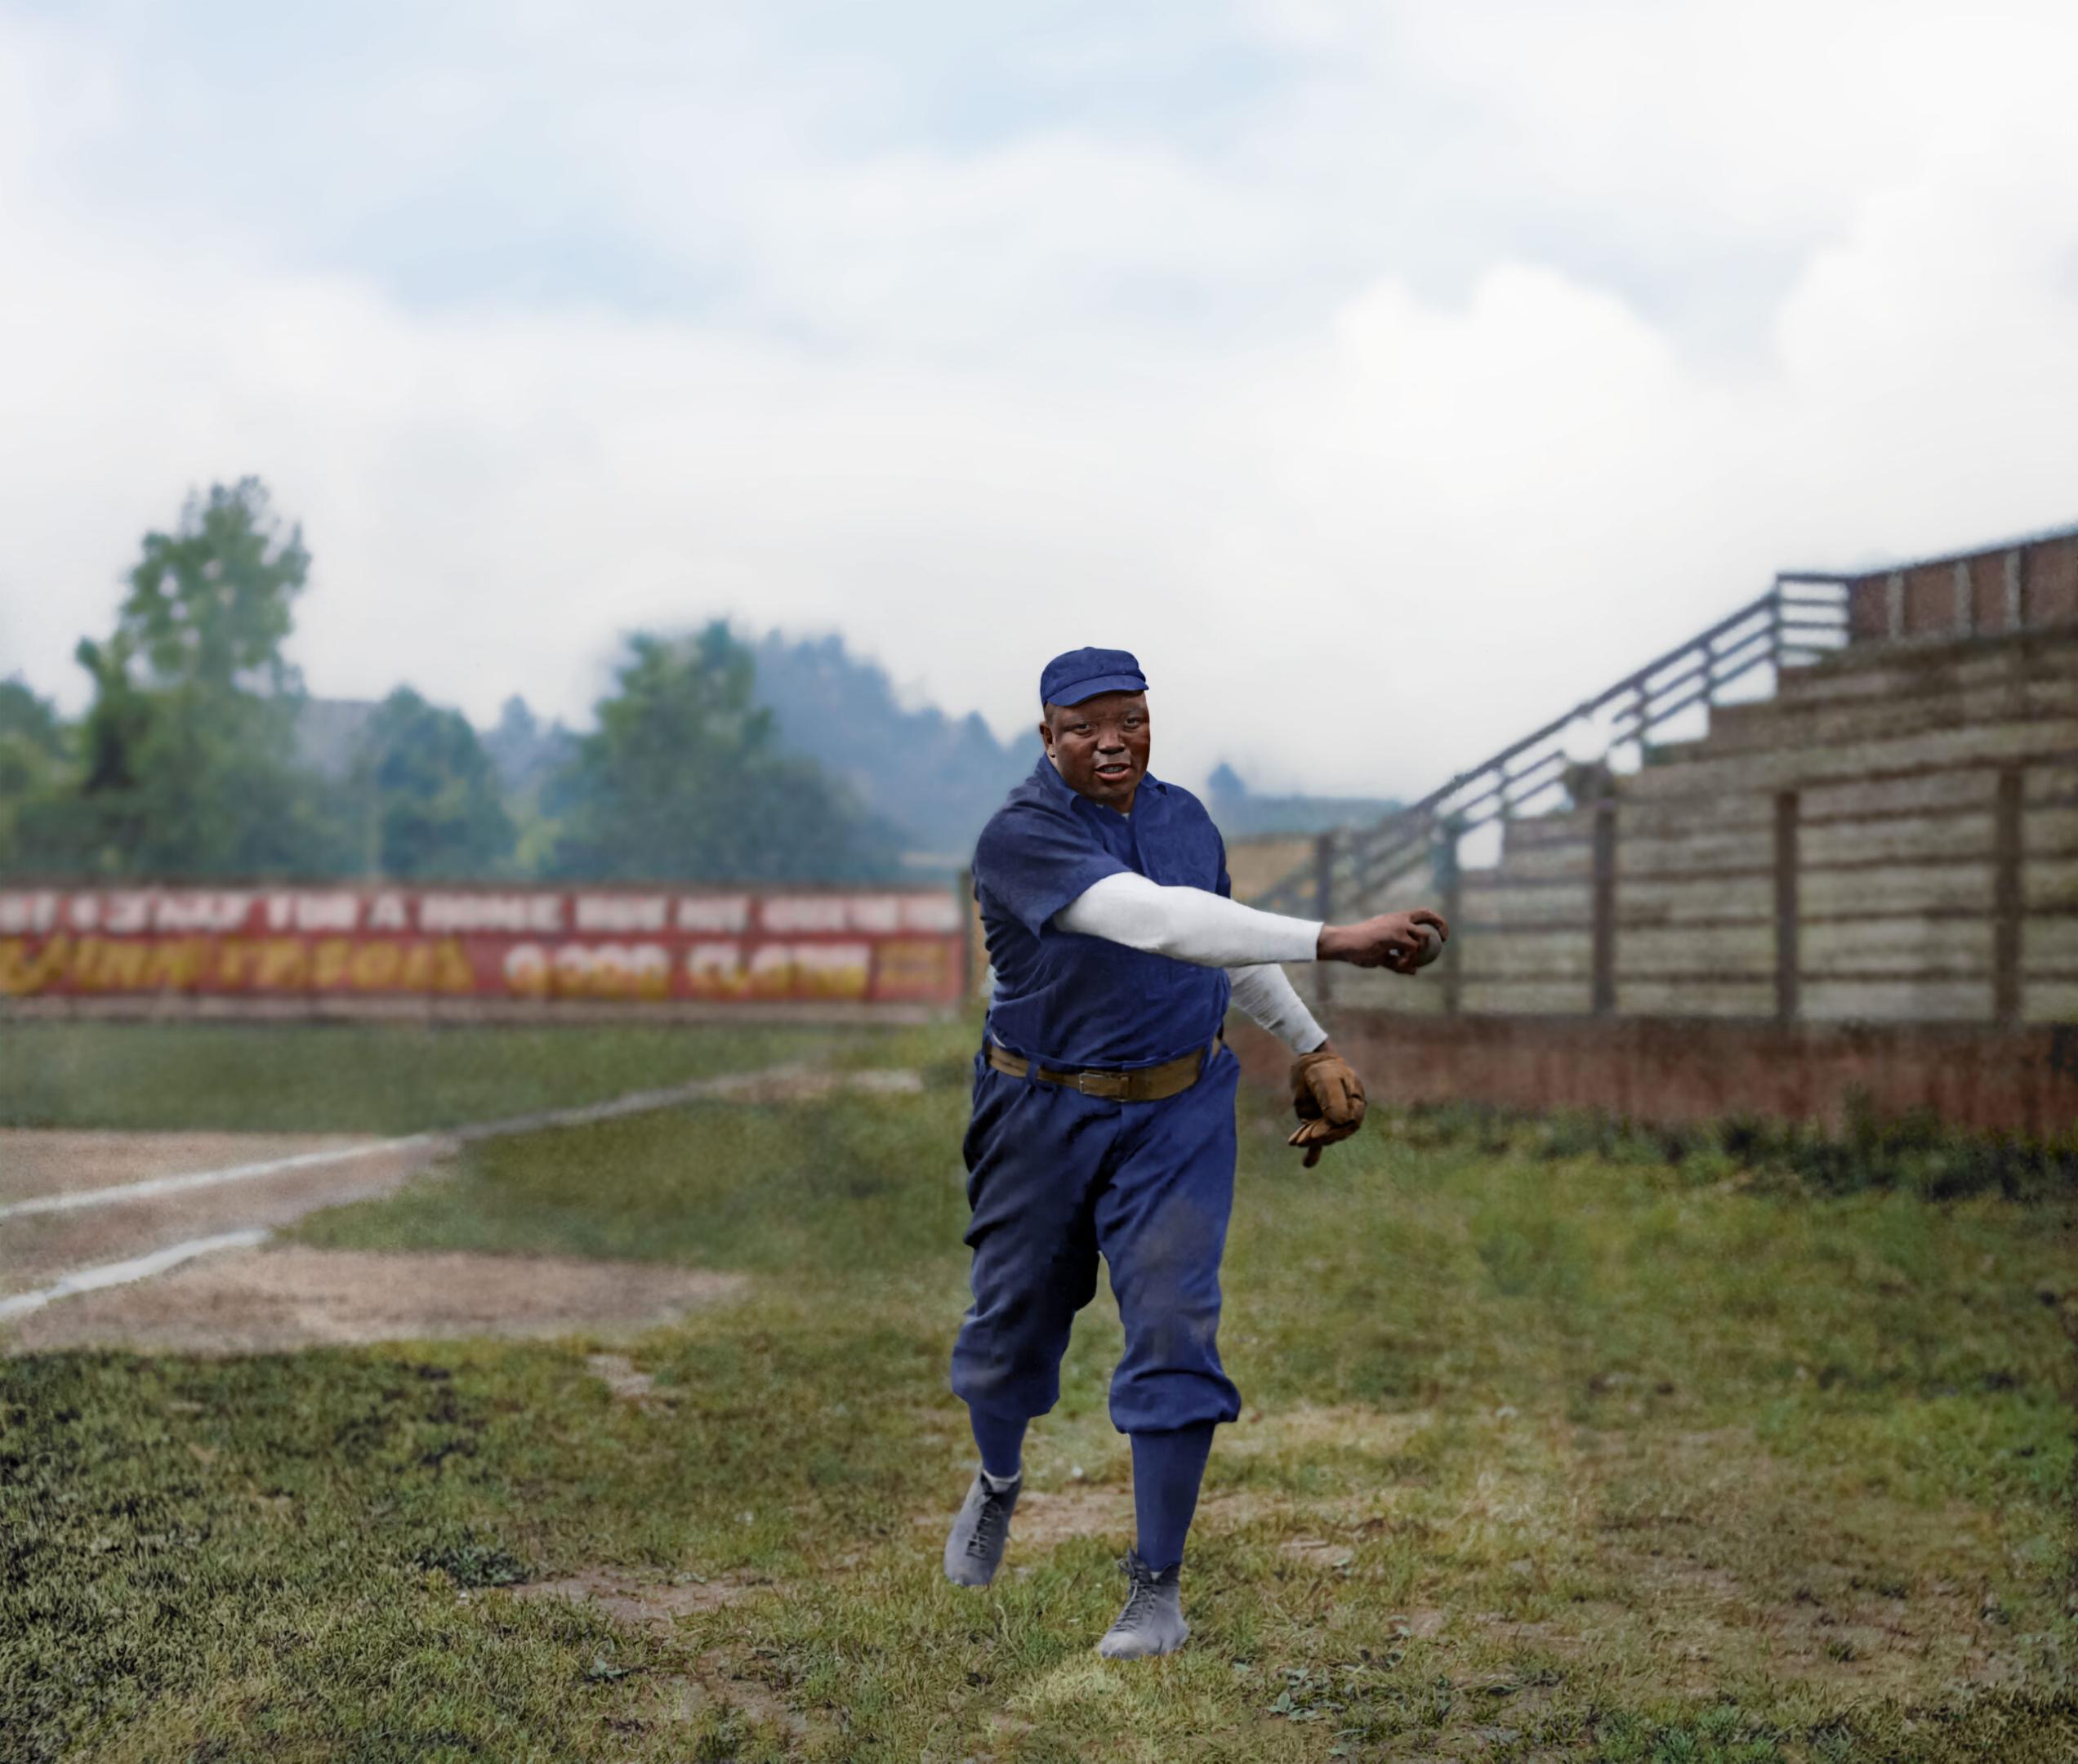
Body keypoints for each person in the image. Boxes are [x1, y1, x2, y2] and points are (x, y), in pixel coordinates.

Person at [943, 645, 1447, 1659]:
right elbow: (1158, 922)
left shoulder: (1183, 819)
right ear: (1047, 737)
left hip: (1176, 1109)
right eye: (1084, 727)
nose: (1111, 741)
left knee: (1174, 1324)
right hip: (1038, 1109)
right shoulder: (1020, 836)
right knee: (1010, 1335)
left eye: (1128, 718)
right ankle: (998, 1478)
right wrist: (1338, 937)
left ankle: (1155, 1590)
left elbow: (1223, 944)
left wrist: (1312, 1044)